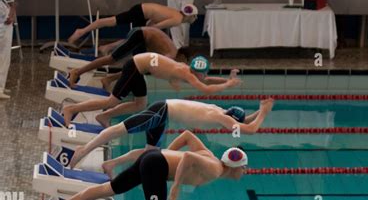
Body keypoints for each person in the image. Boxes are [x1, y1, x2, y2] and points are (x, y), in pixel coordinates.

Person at [50, 133, 248, 200]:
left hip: (153, 160)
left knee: (111, 188)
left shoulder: (212, 159)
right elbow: (188, 157)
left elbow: (187, 136)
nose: (245, 172)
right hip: (156, 167)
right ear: (236, 167)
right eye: (244, 168)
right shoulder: (214, 169)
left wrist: (167, 153)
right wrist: (176, 186)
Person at [69, 97, 274, 170]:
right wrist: (263, 113)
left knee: (150, 152)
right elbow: (250, 129)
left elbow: (245, 122)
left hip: (163, 113)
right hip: (161, 111)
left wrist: (261, 110)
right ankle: (83, 150)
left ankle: (111, 164)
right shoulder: (223, 118)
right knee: (119, 130)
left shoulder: (219, 110)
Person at [61, 52, 240, 129]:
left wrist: (228, 79)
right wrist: (227, 86)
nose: (205, 75)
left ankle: (104, 117)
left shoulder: (190, 71)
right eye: (204, 72)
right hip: (135, 67)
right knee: (111, 101)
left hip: (140, 67)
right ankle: (71, 109)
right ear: (197, 71)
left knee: (140, 104)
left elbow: (206, 80)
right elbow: (206, 89)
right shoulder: (187, 73)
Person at [67, 26, 183, 89]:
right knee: (111, 59)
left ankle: (108, 79)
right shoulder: (170, 56)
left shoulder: (171, 52)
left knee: (138, 68)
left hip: (143, 38)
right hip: (140, 35)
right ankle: (77, 72)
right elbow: (162, 71)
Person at [67, 2, 198, 45]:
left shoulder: (175, 12)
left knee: (113, 22)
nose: (195, 20)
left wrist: (147, 29)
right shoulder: (177, 20)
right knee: (134, 37)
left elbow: (155, 19)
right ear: (191, 16)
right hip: (140, 13)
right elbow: (157, 27)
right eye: (194, 17)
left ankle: (83, 31)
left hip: (140, 9)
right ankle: (84, 33)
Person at [0, 0, 15, 100]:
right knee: (2, 62)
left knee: (5, 61)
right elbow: (7, 19)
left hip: (5, 36)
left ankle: (2, 86)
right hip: (2, 37)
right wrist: (13, 10)